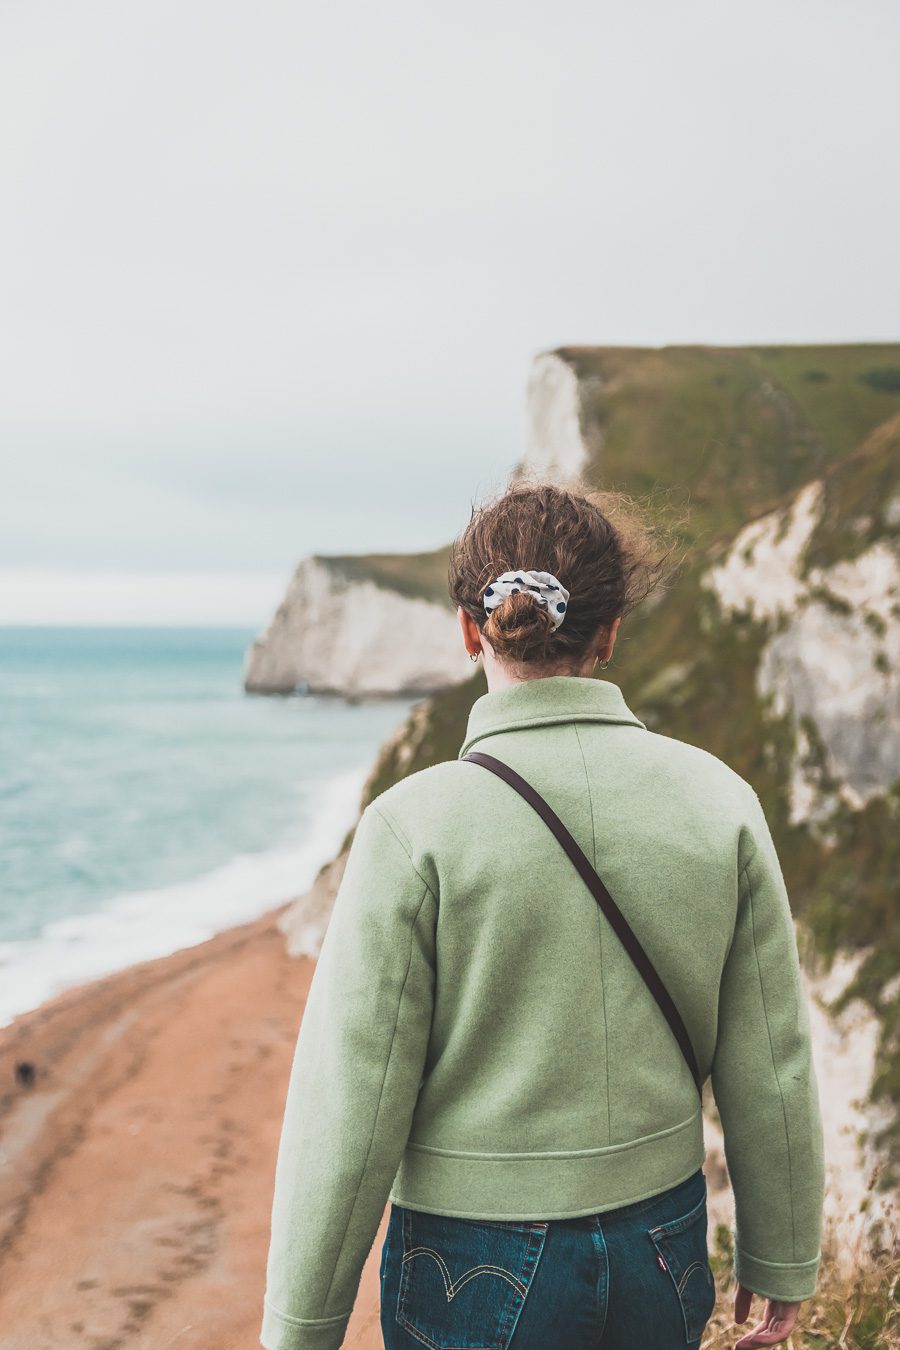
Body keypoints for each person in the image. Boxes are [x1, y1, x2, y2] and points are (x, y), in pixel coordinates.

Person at [260, 481, 825, 1350]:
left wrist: (301, 1330)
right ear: (610, 631)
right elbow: (772, 1058)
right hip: (663, 1248)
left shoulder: (413, 827)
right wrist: (781, 1254)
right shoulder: (720, 800)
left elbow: (352, 1104)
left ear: (467, 628)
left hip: (468, 1257)